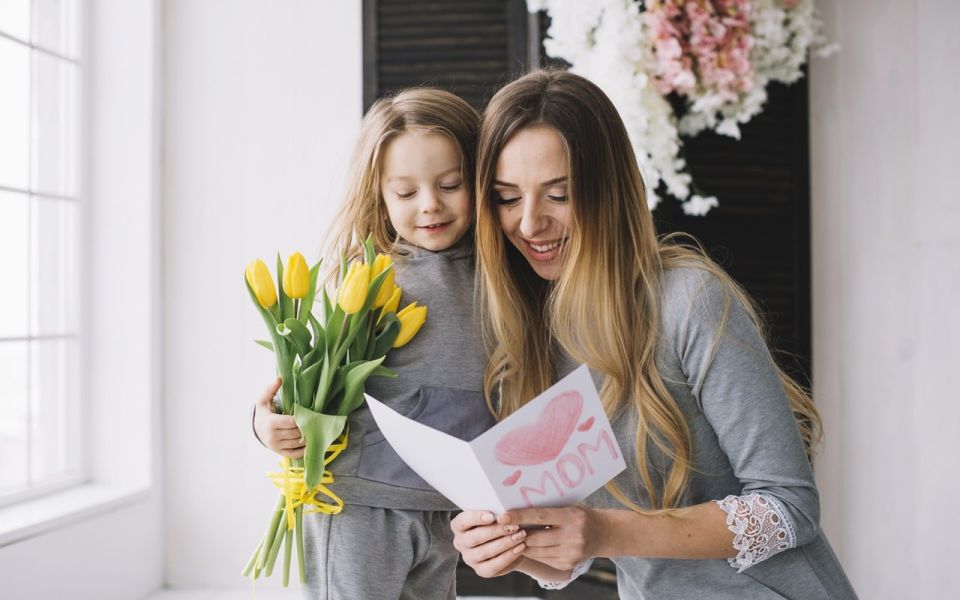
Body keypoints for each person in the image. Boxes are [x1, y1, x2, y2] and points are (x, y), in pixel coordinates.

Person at [452, 69, 857, 599]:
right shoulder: (529, 337)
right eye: (507, 198)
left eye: (560, 194)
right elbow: (576, 546)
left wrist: (604, 532)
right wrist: (511, 548)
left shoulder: (689, 300)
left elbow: (790, 509)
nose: (530, 224)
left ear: (609, 191)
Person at [253, 88, 494, 600]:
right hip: (357, 500)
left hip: (444, 505)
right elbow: (310, 381)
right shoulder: (371, 275)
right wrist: (264, 424)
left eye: (450, 184)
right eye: (405, 193)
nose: (430, 204)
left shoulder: (500, 276)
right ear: (379, 195)